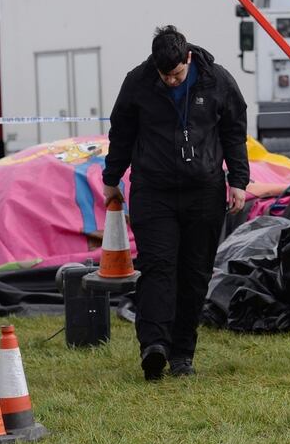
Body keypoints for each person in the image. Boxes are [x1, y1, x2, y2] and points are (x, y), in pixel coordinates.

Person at [102, 25, 249, 381]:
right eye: (164, 74)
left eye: (177, 73)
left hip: (205, 191)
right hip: (153, 191)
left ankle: (183, 353)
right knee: (157, 268)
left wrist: (239, 181)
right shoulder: (137, 82)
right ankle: (154, 346)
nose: (170, 80)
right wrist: (111, 179)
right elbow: (121, 133)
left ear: (188, 58)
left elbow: (234, 130)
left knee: (195, 274)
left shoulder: (218, 81)